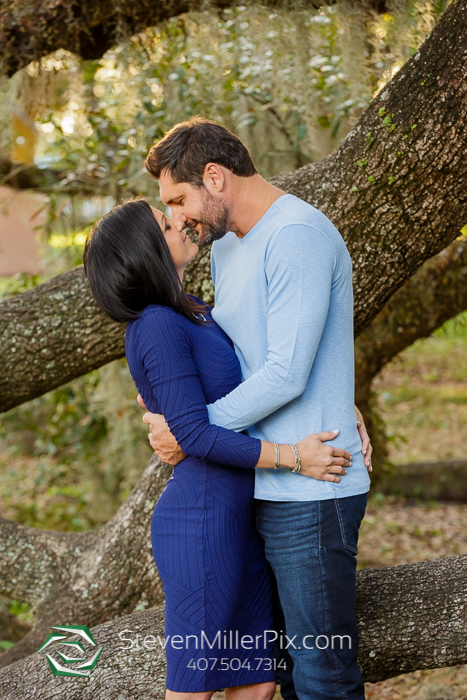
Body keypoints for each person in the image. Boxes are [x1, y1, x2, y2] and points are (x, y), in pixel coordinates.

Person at [83, 197, 356, 700]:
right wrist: (292, 455)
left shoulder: (195, 312)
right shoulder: (155, 325)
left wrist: (341, 405)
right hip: (202, 522)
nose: (182, 223)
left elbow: (260, 374)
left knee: (256, 684)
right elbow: (196, 435)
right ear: (147, 250)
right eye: (168, 223)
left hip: (243, 519)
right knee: (193, 688)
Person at [142, 117, 373, 700]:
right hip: (262, 479)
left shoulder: (296, 233)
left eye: (178, 198)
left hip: (315, 485)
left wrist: (192, 429)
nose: (177, 216)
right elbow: (239, 360)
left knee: (323, 673)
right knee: (284, 672)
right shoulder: (229, 248)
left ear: (214, 177)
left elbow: (286, 372)